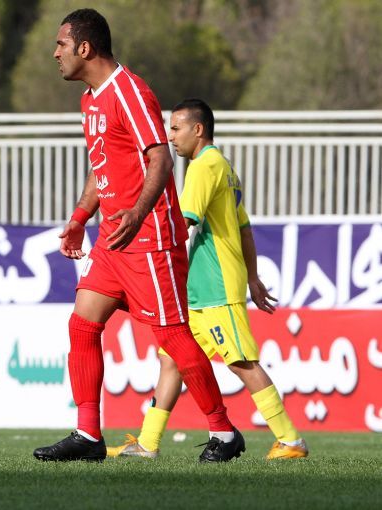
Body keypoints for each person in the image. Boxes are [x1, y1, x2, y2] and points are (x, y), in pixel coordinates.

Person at [33, 9, 244, 463]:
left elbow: (160, 159)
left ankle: (224, 432)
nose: (55, 53)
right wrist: (81, 216)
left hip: (149, 236)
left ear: (84, 47)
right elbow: (103, 166)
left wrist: (138, 212)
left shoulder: (129, 91)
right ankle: (88, 434)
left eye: (61, 44)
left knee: (174, 337)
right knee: (82, 324)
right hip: (113, 239)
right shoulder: (90, 100)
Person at [108, 99, 309, 460]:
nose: (171, 137)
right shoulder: (225, 168)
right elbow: (243, 228)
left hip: (217, 285)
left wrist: (138, 241)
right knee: (172, 359)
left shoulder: (204, 166)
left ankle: (291, 440)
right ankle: (148, 443)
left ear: (197, 129)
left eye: (176, 128)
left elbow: (182, 223)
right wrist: (252, 277)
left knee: (241, 361)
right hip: (201, 289)